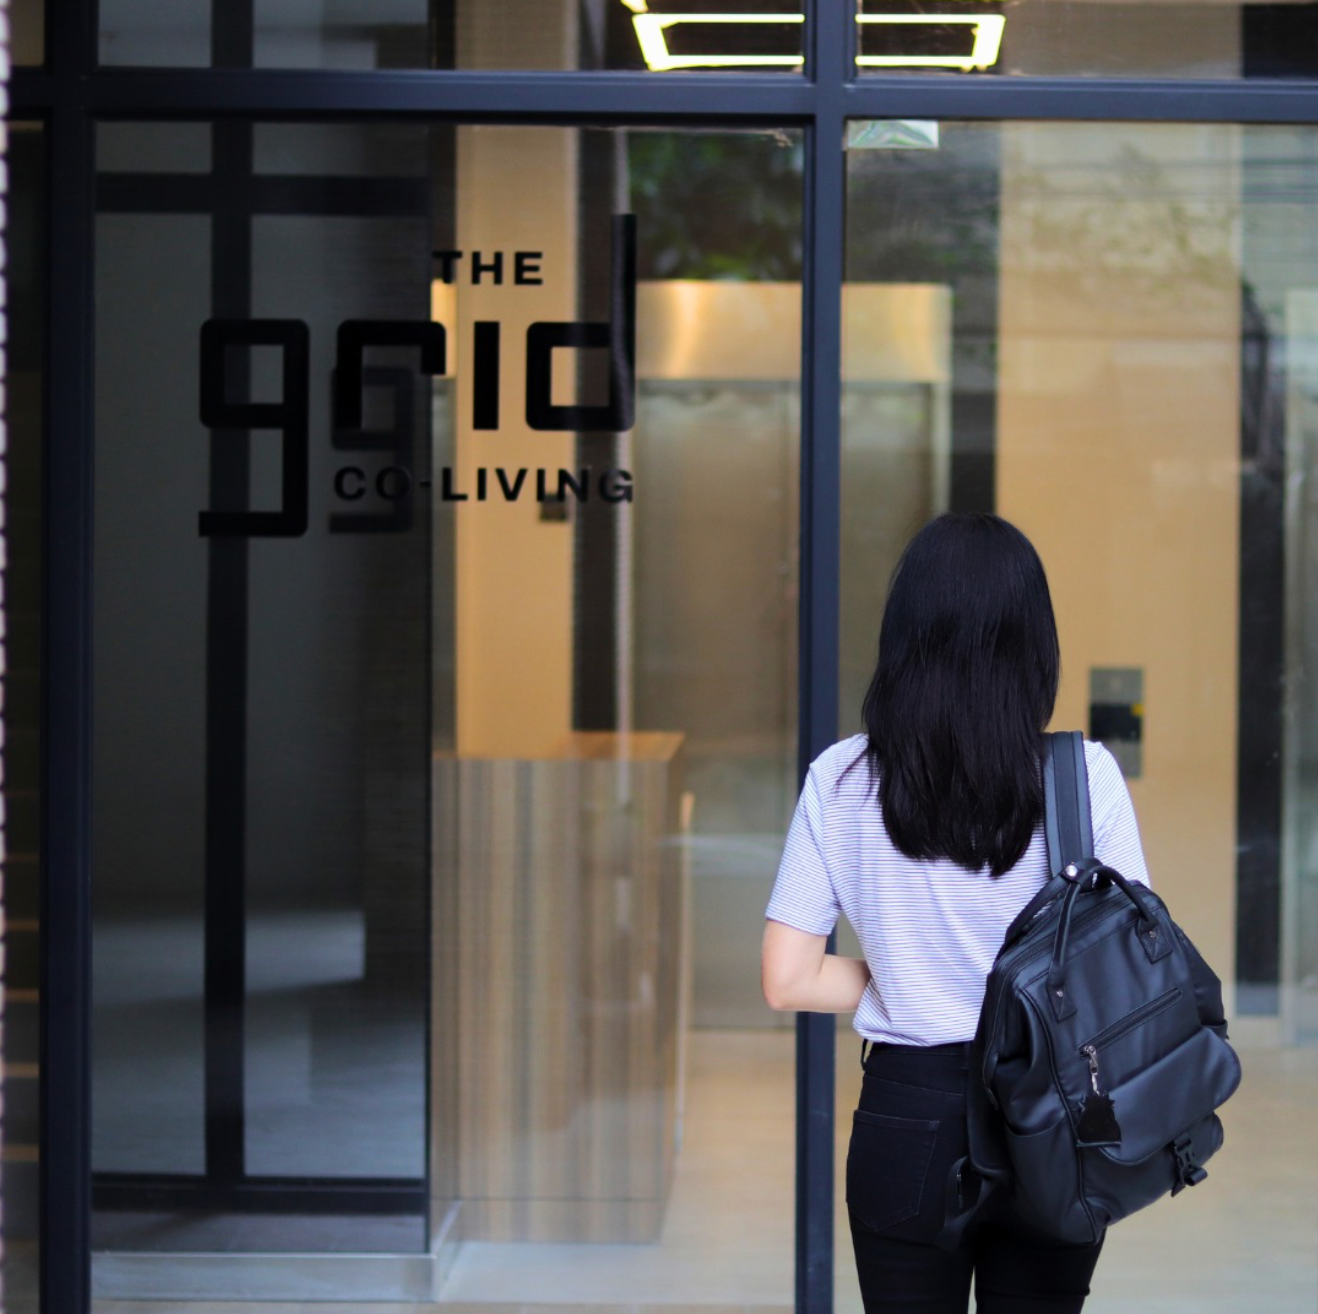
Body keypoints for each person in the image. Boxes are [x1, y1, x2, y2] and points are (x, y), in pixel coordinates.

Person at [761, 512, 1150, 1314]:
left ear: (904, 637)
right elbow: (1127, 970)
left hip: (908, 1114)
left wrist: (907, 979)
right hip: (1054, 1110)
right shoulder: (1083, 778)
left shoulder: (841, 779)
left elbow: (786, 978)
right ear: (1033, 643)